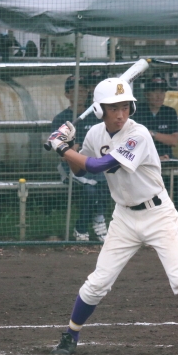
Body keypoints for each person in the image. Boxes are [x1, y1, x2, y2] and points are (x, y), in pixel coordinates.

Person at [45, 77, 178, 355]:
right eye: (113, 108)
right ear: (100, 110)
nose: (120, 114)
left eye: (124, 107)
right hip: (124, 217)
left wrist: (62, 148)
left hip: (158, 215)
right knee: (97, 282)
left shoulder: (139, 134)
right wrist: (69, 146)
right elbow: (80, 170)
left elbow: (100, 165)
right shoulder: (95, 133)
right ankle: (70, 336)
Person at [52, 75, 110, 242]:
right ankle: (96, 220)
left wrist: (81, 149)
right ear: (67, 94)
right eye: (76, 90)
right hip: (72, 168)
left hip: (94, 166)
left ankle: (83, 226)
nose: (81, 94)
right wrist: (75, 151)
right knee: (91, 187)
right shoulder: (61, 119)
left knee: (104, 183)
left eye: (84, 90)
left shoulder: (97, 117)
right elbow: (63, 154)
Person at [134, 75, 178, 232]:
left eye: (162, 92)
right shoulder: (136, 112)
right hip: (143, 164)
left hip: (168, 161)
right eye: (154, 91)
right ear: (146, 93)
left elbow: (174, 140)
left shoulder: (169, 112)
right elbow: (134, 142)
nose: (158, 95)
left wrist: (152, 134)